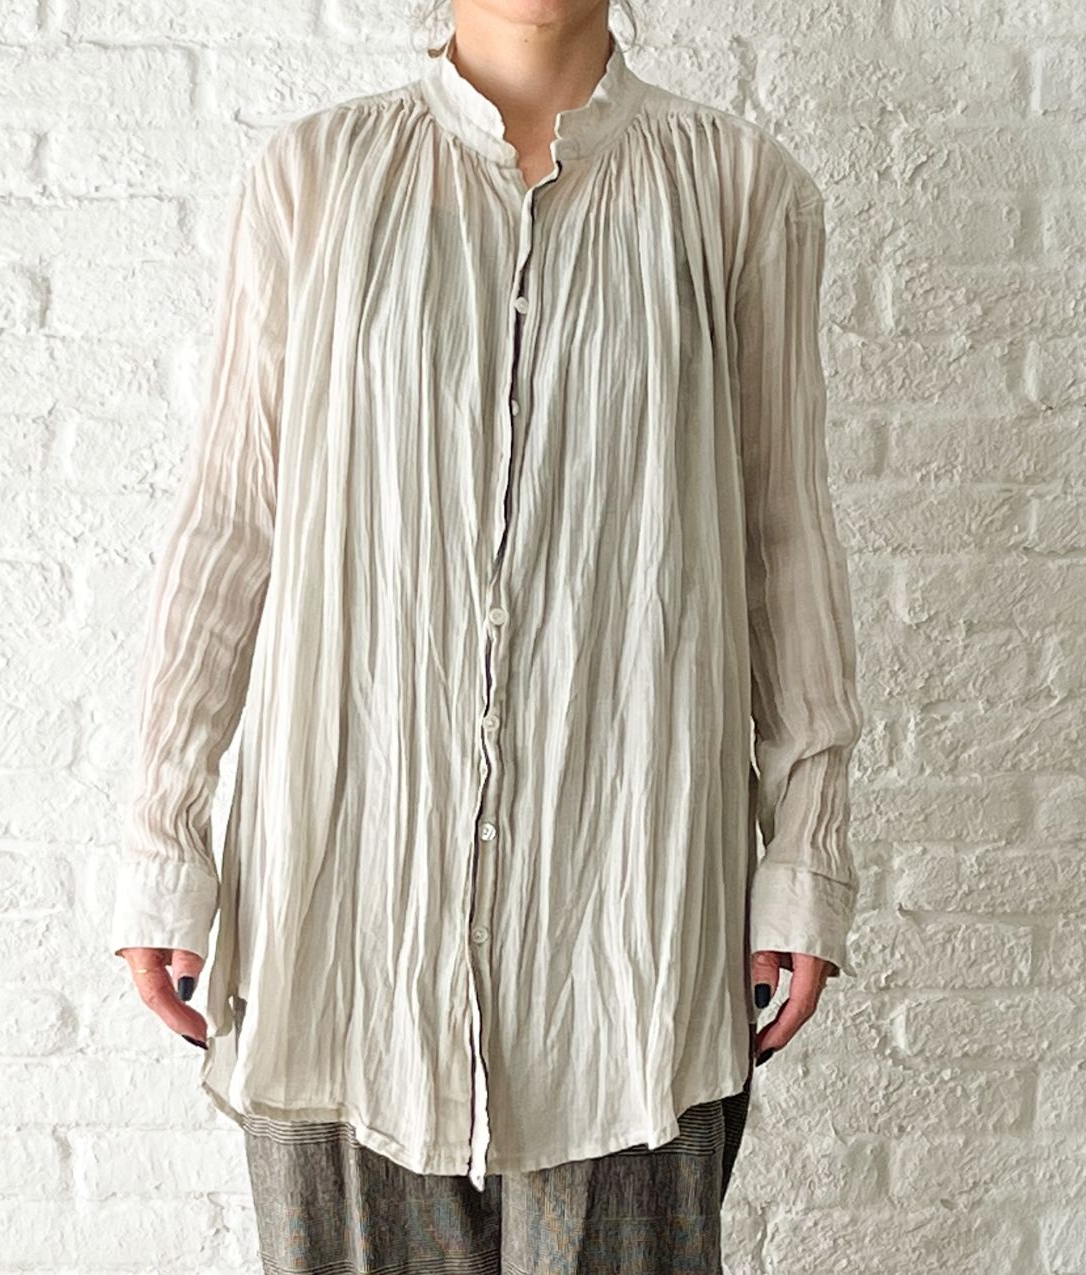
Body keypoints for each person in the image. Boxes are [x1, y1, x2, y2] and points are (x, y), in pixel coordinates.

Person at [111, 0, 864, 1269]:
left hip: (627, 926)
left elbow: (780, 537)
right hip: (341, 917)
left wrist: (804, 846)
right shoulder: (313, 178)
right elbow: (233, 521)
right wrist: (163, 837)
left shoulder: (740, 192)